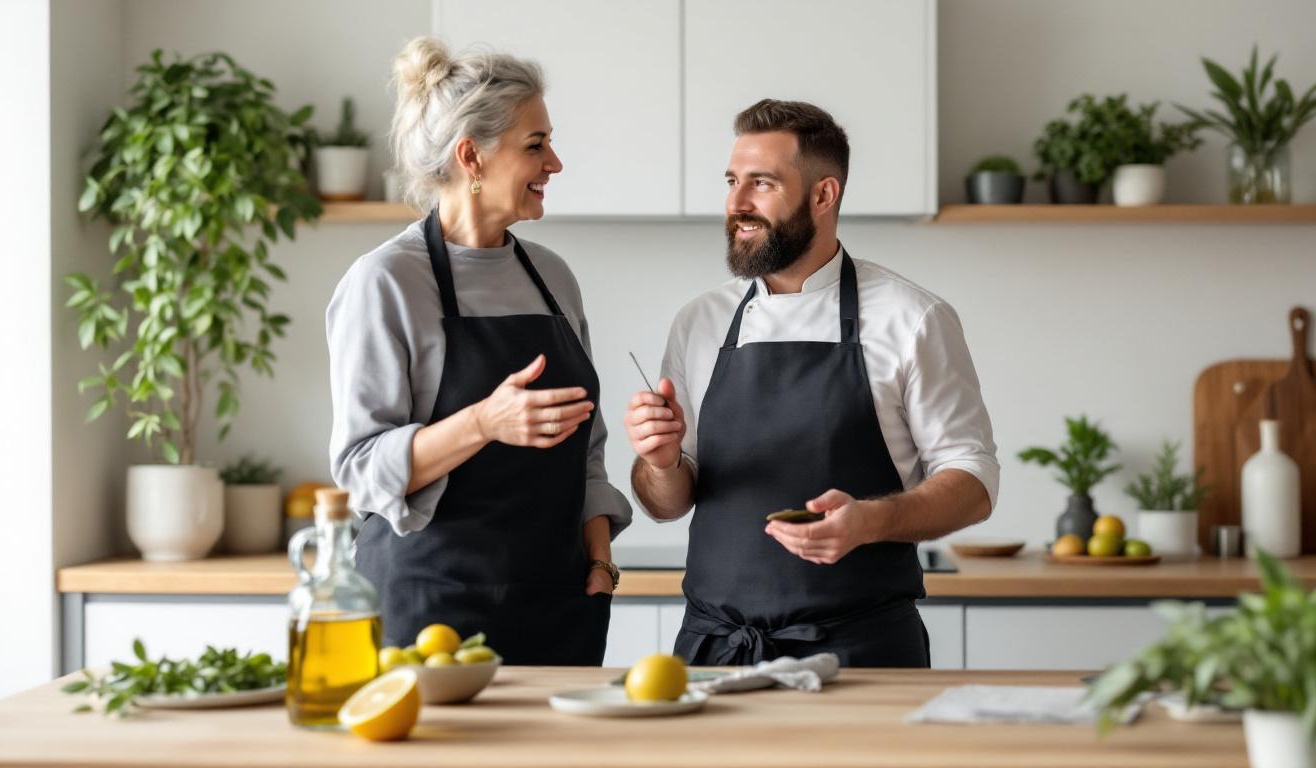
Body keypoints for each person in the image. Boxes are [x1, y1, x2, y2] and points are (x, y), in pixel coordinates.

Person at [625, 99, 999, 667]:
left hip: (861, 656)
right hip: (713, 654)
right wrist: (661, 462)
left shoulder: (912, 318)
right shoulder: (699, 322)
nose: (736, 203)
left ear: (824, 195)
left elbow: (974, 481)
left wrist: (872, 520)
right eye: (731, 181)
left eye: (762, 183)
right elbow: (667, 504)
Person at [327, 37, 630, 665]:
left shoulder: (552, 277)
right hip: (429, 613)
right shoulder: (386, 281)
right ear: (471, 157)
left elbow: (588, 454)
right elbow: (360, 465)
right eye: (536, 145)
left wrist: (599, 559)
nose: (555, 164)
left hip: (558, 606)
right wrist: (484, 422)